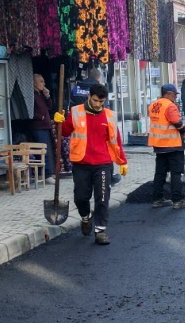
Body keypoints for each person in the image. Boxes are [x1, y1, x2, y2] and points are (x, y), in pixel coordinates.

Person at [59, 83, 127, 245]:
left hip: (103, 163)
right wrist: (59, 122)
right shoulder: (76, 112)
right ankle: (85, 216)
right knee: (81, 197)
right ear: (89, 96)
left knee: (102, 197)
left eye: (101, 102)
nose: (97, 104)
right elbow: (65, 132)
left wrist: (122, 161)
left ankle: (100, 231)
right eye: (95, 100)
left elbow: (116, 140)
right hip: (81, 163)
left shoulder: (109, 116)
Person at [148, 84, 185, 210]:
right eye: (174, 94)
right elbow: (177, 123)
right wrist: (184, 130)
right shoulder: (170, 106)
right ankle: (177, 200)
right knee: (176, 173)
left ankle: (157, 199)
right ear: (167, 94)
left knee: (160, 173)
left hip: (159, 144)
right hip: (172, 144)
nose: (176, 96)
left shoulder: (153, 105)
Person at [31, 73, 55, 179]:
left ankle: (49, 173)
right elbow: (29, 111)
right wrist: (40, 117)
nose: (44, 84)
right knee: (42, 152)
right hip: (38, 126)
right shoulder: (32, 95)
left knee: (48, 150)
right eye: (41, 81)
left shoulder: (41, 94)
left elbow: (49, 107)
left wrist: (47, 96)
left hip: (46, 125)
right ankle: (46, 174)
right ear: (34, 83)